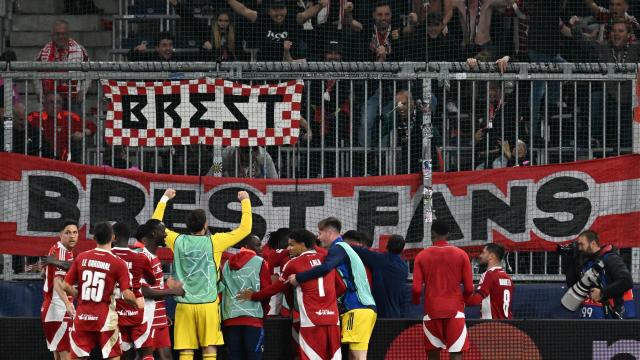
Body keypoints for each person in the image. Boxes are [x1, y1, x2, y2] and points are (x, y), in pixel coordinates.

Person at [152, 188, 252, 360]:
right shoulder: (216, 241)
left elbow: (154, 224)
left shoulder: (177, 240)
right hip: (209, 305)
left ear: (187, 226)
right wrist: (245, 200)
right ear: (205, 225)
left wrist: (165, 198)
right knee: (209, 348)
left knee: (185, 350)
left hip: (184, 305)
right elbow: (245, 229)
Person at [239, 229, 343, 360]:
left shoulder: (293, 263)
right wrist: (328, 301)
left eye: (292, 245)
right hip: (333, 319)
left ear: (303, 245)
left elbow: (275, 288)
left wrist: (254, 296)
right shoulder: (326, 260)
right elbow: (342, 286)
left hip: (311, 321)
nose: (289, 248)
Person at [290, 218, 376, 360]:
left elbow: (325, 268)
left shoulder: (338, 248)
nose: (318, 237)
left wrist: (298, 278)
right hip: (365, 308)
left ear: (330, 233)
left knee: (358, 356)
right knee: (354, 356)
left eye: (320, 233)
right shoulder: (344, 249)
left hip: (357, 306)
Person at [57, 222, 138, 359]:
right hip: (104, 319)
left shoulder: (82, 257)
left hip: (82, 318)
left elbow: (64, 285)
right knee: (113, 356)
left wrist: (80, 295)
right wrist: (136, 304)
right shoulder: (118, 263)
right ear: (113, 237)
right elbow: (127, 295)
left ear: (94, 237)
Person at [412, 220, 473, 360]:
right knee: (456, 353)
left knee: (433, 354)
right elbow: (469, 288)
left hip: (431, 310)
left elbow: (416, 289)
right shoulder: (462, 254)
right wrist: (463, 300)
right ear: (448, 234)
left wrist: (416, 301)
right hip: (455, 310)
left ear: (431, 234)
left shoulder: (421, 256)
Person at [136, 220, 185, 360]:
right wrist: (171, 291)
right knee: (146, 357)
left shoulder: (154, 258)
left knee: (167, 357)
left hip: (159, 318)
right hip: (147, 319)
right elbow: (143, 291)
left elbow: (154, 288)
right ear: (153, 233)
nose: (165, 235)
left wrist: (162, 313)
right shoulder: (142, 257)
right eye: (163, 231)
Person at [220, 234, 271, 360]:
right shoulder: (260, 262)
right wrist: (264, 312)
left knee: (234, 356)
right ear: (247, 246)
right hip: (253, 318)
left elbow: (222, 290)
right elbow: (266, 291)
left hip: (230, 318)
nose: (261, 248)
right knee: (254, 356)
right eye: (258, 245)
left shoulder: (226, 264)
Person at [110, 222, 156, 359]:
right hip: (137, 310)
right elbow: (152, 281)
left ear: (114, 237)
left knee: (124, 354)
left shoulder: (108, 256)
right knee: (146, 353)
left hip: (116, 312)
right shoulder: (140, 257)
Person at [574, 230, 635, 319]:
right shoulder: (586, 263)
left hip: (614, 318)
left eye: (582, 244)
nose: (579, 248)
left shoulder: (610, 258)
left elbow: (626, 281)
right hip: (592, 319)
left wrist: (602, 292)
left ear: (593, 243)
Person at [40, 220, 78, 360]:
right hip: (60, 310)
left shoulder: (56, 249)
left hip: (51, 309)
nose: (72, 236)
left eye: (75, 232)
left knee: (59, 355)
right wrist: (68, 304)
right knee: (67, 355)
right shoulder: (62, 251)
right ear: (60, 235)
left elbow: (45, 275)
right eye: (67, 233)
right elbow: (58, 282)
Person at [350, 234, 409, 318]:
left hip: (380, 314)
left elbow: (357, 250)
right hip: (396, 314)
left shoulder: (380, 260)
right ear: (402, 250)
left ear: (387, 246)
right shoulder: (404, 267)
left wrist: (341, 243)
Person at [36, 20, 88, 114]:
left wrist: (83, 92)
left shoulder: (80, 50)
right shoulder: (44, 51)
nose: (61, 37)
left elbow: (89, 73)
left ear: (68, 34)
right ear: (52, 35)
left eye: (63, 34)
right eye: (58, 34)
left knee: (75, 126)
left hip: (72, 98)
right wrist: (39, 92)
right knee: (50, 127)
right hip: (51, 98)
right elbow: (36, 74)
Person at [226, 0, 303, 61]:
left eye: (281, 9)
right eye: (275, 10)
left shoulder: (292, 20)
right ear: (269, 10)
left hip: (288, 67)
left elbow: (308, 13)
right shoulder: (263, 20)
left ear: (286, 10)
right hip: (264, 67)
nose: (278, 13)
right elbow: (243, 10)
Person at [465, 243, 514, 319]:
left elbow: (476, 299)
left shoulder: (489, 275)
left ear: (491, 256)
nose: (480, 256)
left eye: (483, 253)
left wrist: (459, 303)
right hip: (508, 325)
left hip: (491, 326)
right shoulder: (507, 278)